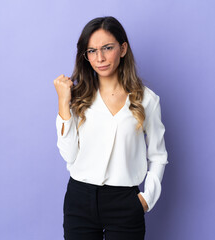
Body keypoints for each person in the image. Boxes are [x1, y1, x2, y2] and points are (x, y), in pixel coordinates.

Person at [53, 16, 168, 240]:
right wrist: (63, 103)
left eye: (107, 48)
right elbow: (69, 155)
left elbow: (158, 155)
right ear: (85, 56)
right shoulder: (78, 98)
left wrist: (147, 199)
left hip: (124, 202)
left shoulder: (147, 100)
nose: (101, 58)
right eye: (92, 51)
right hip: (80, 199)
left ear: (123, 49)